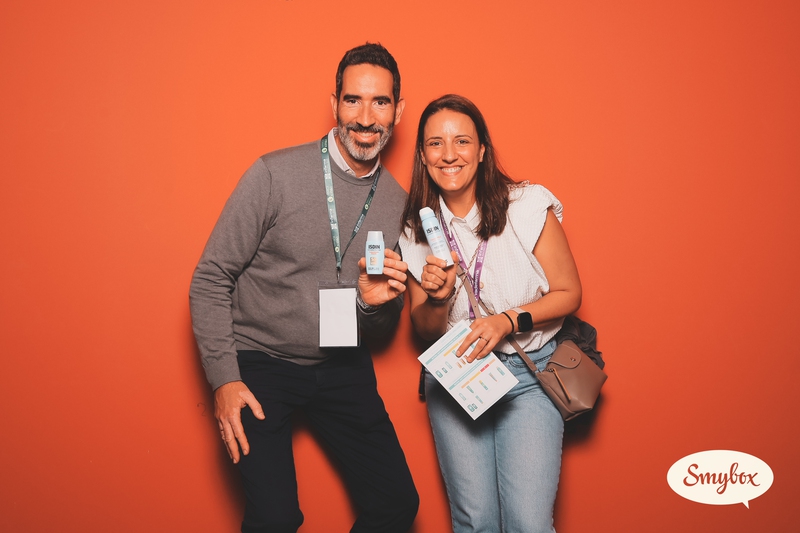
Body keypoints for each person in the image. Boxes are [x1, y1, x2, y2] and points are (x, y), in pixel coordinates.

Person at [189, 43, 419, 533]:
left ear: (398, 111)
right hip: (261, 361)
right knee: (275, 519)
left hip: (342, 363)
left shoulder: (399, 204)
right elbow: (211, 277)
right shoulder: (274, 174)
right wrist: (224, 379)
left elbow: (381, 326)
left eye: (380, 102)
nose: (365, 118)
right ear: (334, 103)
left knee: (397, 502)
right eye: (353, 100)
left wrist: (370, 306)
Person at [399, 94, 582, 533]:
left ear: (482, 150)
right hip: (458, 377)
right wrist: (439, 298)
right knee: (475, 522)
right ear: (423, 156)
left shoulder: (527, 205)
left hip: (530, 374)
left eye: (462, 141)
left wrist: (506, 320)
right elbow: (423, 329)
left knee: (528, 524)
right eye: (436, 144)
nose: (449, 155)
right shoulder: (415, 229)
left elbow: (569, 292)